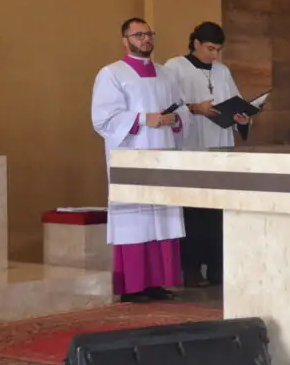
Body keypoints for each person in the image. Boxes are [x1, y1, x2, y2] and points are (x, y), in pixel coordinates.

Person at [91, 17, 191, 303]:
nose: (145, 39)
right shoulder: (111, 74)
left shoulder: (166, 74)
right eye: (138, 35)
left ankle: (159, 282)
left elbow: (183, 110)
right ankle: (134, 286)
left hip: (163, 153)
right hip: (132, 154)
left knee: (162, 216)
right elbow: (103, 119)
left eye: (149, 34)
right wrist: (143, 119)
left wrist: (175, 119)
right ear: (125, 40)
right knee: (136, 220)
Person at [165, 22, 249, 287]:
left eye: (218, 50)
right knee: (193, 210)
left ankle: (217, 268)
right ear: (195, 43)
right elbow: (166, 108)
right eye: (210, 48)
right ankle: (190, 270)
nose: (214, 55)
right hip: (190, 146)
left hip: (221, 146)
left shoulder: (223, 71)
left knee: (218, 210)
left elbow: (235, 101)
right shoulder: (175, 67)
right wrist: (194, 108)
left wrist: (243, 119)